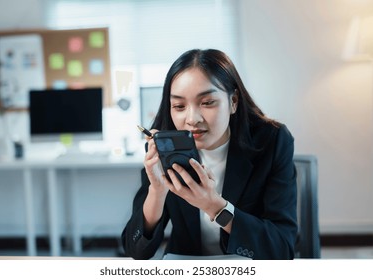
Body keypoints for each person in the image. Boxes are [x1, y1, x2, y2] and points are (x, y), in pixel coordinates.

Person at [121, 49, 297, 260]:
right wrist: (157, 192)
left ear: (233, 101)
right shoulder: (164, 145)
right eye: (179, 106)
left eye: (207, 103)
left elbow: (282, 250)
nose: (192, 118)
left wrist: (214, 206)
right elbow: (136, 251)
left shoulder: (272, 141)